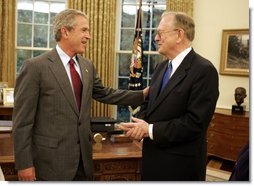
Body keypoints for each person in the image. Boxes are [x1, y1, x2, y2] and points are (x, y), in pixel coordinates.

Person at [12, 9, 148, 181]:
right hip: (49, 165)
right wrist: (24, 164)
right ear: (65, 31)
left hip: (83, 163)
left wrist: (142, 95)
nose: (89, 36)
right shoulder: (35, 67)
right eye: (84, 30)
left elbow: (105, 94)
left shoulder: (87, 66)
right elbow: (22, 123)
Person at [119, 11, 219, 181]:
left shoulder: (204, 70)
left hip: (179, 166)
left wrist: (149, 130)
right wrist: (138, 126)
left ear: (179, 34)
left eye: (160, 33)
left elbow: (195, 123)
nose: (156, 38)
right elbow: (150, 104)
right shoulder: (161, 67)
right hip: (152, 160)